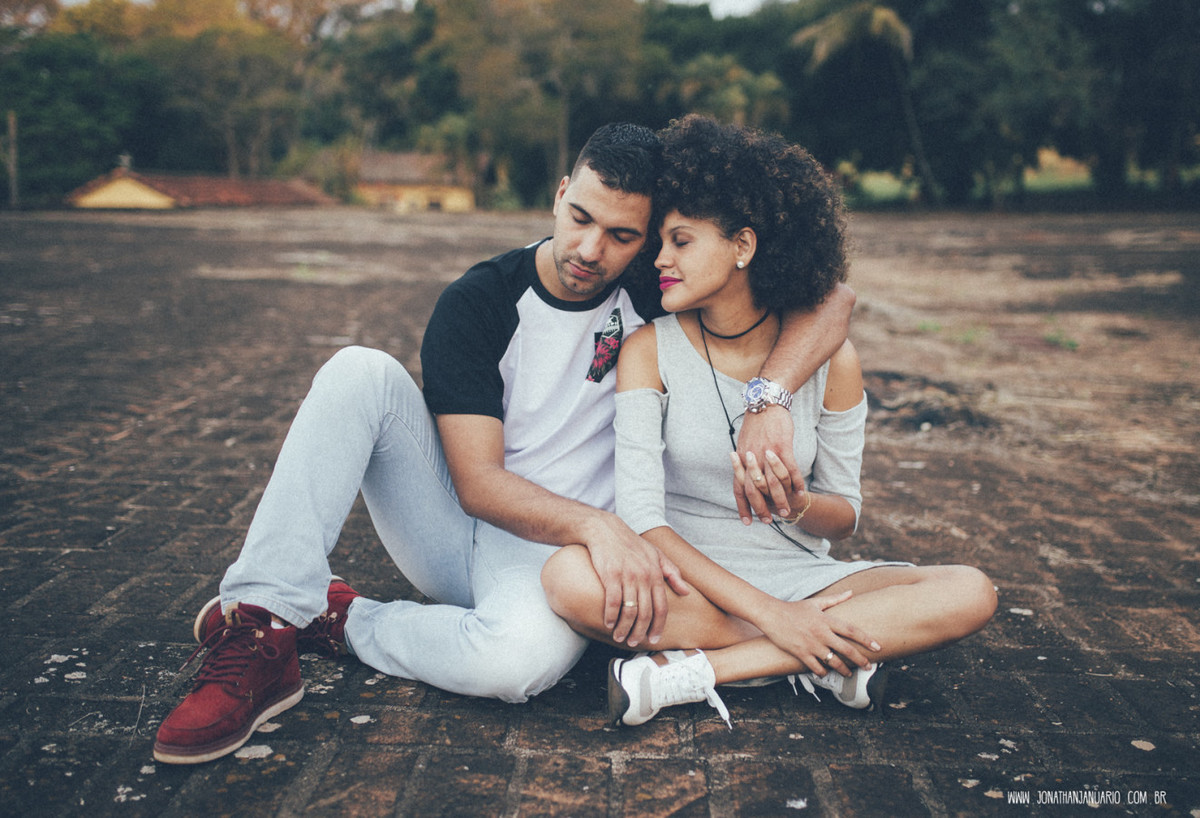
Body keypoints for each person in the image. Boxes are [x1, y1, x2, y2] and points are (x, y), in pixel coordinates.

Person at [152, 122, 856, 764]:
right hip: (470, 529)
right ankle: (263, 620)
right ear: (558, 195)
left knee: (515, 668)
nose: (590, 249)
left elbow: (835, 300)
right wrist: (600, 525)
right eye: (580, 218)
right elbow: (478, 484)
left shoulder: (655, 287)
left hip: (569, 566)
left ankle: (340, 619)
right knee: (358, 371)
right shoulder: (482, 300)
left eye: (621, 235)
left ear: (646, 239)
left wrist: (771, 398)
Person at [541, 115, 997, 728]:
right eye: (660, 243)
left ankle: (698, 672)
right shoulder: (647, 349)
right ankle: (825, 657)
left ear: (743, 246)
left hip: (802, 575)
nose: (659, 260)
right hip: (689, 582)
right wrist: (774, 615)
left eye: (681, 241)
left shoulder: (831, 360)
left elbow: (847, 514)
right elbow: (644, 521)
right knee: (568, 579)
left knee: (972, 590)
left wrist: (795, 503)